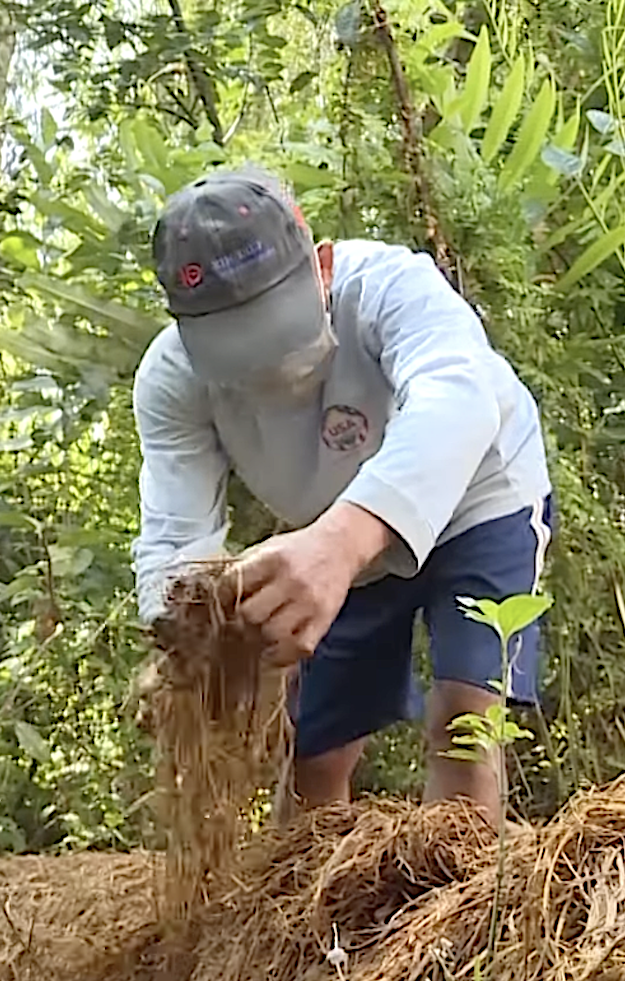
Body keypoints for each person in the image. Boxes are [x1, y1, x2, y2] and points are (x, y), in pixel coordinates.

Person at [130, 166, 553, 820]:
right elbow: (175, 536)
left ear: (321, 269)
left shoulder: (392, 289)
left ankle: (465, 914)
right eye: (234, 346)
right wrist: (184, 646)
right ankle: (308, 919)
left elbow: (458, 400)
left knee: (465, 725)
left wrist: (341, 542)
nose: (264, 366)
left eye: (273, 329)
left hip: (481, 493)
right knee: (314, 754)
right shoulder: (171, 381)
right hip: (330, 532)